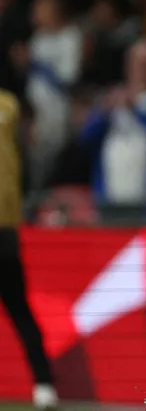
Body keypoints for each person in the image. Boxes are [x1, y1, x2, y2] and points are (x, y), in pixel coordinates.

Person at [0, 89, 58, 410]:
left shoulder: (8, 104)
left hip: (3, 229)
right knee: (20, 310)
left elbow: (23, 155)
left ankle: (44, 383)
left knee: (19, 309)